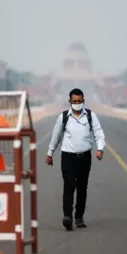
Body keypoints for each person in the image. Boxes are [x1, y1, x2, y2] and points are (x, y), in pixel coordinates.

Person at [45, 88, 105, 231]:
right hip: (68, 158)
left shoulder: (90, 116)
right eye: (74, 101)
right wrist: (50, 153)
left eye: (79, 101)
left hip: (85, 157)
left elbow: (98, 132)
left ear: (83, 101)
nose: (77, 103)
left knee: (82, 188)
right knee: (69, 186)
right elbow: (56, 136)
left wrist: (100, 149)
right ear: (69, 102)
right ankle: (67, 217)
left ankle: (79, 217)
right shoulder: (64, 117)